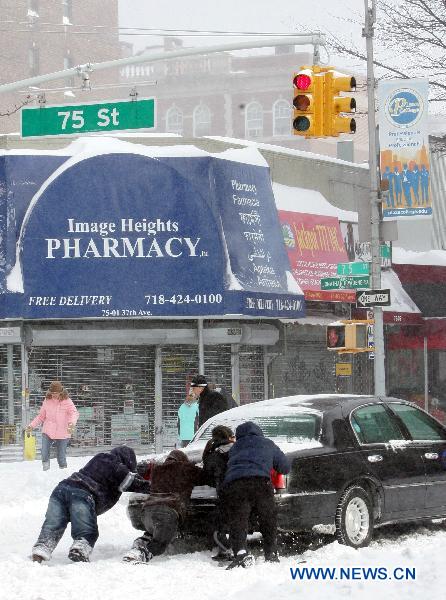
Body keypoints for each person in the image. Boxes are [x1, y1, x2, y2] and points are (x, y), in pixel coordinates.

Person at [31, 445, 151, 563]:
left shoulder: (100, 459)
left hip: (60, 490)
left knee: (53, 524)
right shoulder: (114, 464)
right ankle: (79, 550)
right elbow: (132, 483)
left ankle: (41, 549)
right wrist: (155, 487)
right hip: (82, 494)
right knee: (86, 530)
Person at [219, 421, 290, 569]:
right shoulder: (267, 443)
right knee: (268, 518)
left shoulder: (235, 447)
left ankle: (241, 553)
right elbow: (284, 467)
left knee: (238, 520)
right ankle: (271, 553)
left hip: (235, 485)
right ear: (259, 432)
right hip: (260, 484)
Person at [123, 449, 204, 563]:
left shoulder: (157, 470)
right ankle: (141, 555)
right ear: (183, 460)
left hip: (147, 511)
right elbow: (206, 477)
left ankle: (138, 547)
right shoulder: (186, 469)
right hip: (167, 511)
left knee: (151, 534)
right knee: (160, 544)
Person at [26, 380, 79, 471]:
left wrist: (71, 424)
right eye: (53, 392)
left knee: (61, 456)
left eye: (56, 393)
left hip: (62, 432)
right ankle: (46, 472)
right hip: (48, 431)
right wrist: (31, 426)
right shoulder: (47, 400)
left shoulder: (67, 401)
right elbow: (41, 416)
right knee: (44, 452)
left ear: (61, 391)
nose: (54, 394)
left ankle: (63, 473)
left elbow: (74, 413)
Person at [202, 425, 235, 559]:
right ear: (229, 437)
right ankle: (238, 548)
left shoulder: (214, 454)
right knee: (239, 520)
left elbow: (207, 474)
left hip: (224, 491)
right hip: (245, 488)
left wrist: (207, 453)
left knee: (219, 522)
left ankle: (226, 549)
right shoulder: (239, 449)